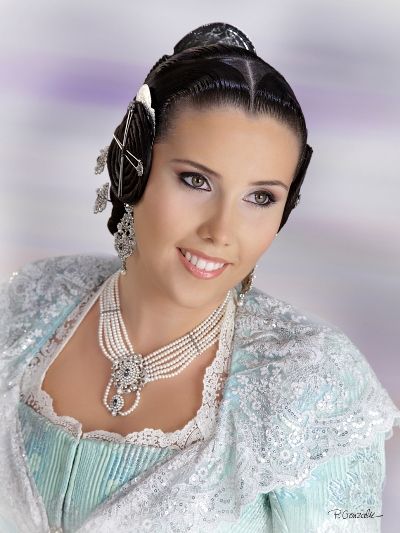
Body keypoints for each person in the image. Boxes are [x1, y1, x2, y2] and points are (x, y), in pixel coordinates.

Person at [0, 22, 399, 533]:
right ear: (133, 169)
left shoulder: (316, 386)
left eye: (261, 197)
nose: (221, 231)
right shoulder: (32, 302)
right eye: (196, 180)